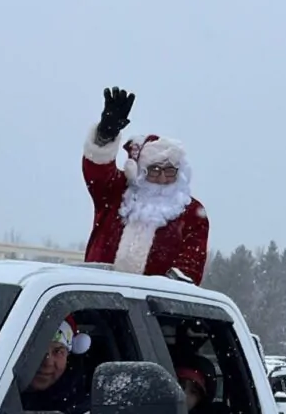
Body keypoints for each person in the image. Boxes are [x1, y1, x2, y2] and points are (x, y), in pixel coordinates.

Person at [80, 86, 209, 282]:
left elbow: (190, 267)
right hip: (97, 292)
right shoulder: (116, 193)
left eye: (170, 171)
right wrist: (105, 135)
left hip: (152, 300)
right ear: (140, 171)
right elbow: (97, 171)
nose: (163, 178)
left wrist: (167, 289)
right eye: (154, 170)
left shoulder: (191, 214)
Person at [19, 316, 92, 414]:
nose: (47, 362)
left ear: (67, 355)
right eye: (37, 350)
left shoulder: (78, 410)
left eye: (58, 351)